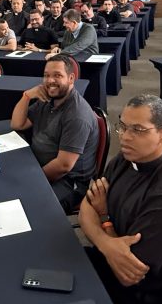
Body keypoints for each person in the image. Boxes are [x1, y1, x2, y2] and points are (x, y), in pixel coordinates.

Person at [79, 95, 162, 304]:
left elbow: (127, 276)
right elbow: (86, 207)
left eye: (138, 130)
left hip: (131, 295)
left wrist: (103, 217)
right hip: (102, 261)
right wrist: (107, 242)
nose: (125, 137)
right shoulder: (128, 158)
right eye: (123, 127)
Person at [12, 55, 98, 211]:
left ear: (71, 78)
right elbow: (18, 124)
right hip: (39, 164)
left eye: (57, 75)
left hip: (68, 181)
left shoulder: (77, 115)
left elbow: (63, 166)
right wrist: (26, 96)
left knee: (25, 208)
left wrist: (31, 179)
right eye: (46, 75)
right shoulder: (49, 99)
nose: (50, 80)